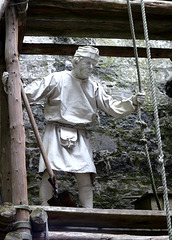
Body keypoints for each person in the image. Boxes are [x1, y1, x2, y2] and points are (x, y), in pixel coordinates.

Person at [24, 46, 145, 208]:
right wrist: (14, 83)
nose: (91, 67)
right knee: (50, 172)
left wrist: (133, 102)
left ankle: (89, 211)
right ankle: (44, 207)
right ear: (76, 61)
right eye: (88, 63)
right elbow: (30, 93)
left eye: (93, 64)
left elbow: (113, 107)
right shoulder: (57, 79)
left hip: (80, 134)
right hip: (55, 131)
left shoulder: (93, 87)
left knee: (84, 175)